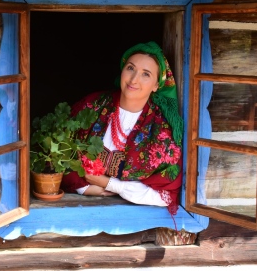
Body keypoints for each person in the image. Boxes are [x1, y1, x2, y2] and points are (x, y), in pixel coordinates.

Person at [61, 41, 183, 215]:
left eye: (146, 74)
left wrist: (111, 184)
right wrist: (83, 188)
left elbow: (163, 196)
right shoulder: (93, 105)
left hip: (132, 218)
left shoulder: (161, 131)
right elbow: (57, 153)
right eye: (130, 68)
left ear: (157, 85)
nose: (134, 79)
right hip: (78, 211)